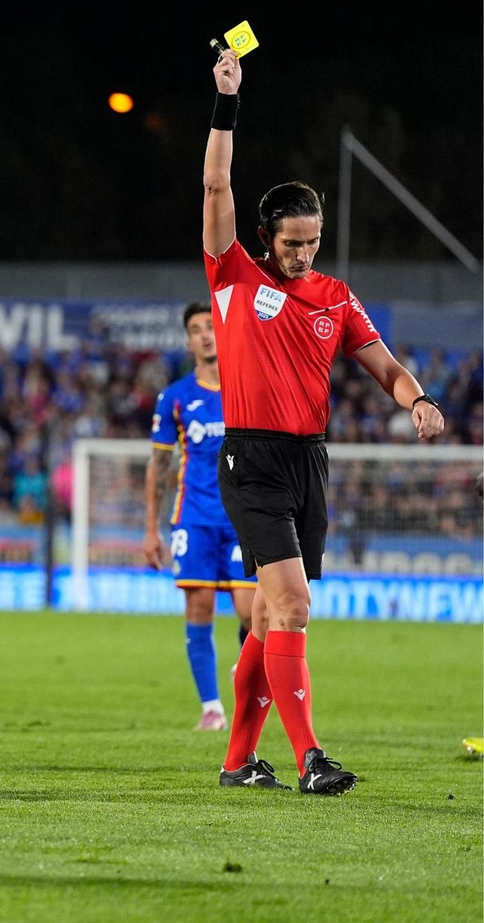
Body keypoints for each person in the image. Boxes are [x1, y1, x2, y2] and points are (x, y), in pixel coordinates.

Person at [202, 48, 444, 794]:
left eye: (312, 241)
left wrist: (418, 399)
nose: (304, 253)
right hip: (252, 461)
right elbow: (217, 182)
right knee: (294, 607)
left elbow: (384, 365)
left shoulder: (336, 297)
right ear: (266, 238)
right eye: (292, 242)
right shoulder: (233, 276)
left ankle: (239, 762)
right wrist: (227, 104)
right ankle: (311, 758)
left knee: (277, 617)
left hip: (310, 461)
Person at [143, 301, 254, 732]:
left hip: (244, 517)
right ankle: (212, 707)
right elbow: (159, 467)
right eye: (196, 328)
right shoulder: (174, 398)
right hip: (194, 517)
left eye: (211, 325)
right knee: (200, 606)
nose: (206, 334)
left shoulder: (249, 387)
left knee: (252, 613)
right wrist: (151, 529)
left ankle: (246, 674)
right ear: (188, 340)